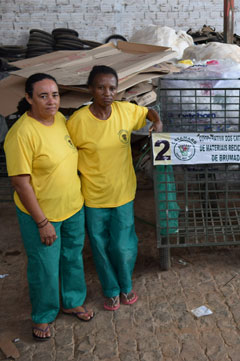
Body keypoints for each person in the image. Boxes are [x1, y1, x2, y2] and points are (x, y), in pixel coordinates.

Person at [4, 73, 94, 342]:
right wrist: (42, 223)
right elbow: (21, 183)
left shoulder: (61, 121)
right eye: (43, 95)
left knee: (72, 257)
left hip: (72, 207)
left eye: (54, 95)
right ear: (29, 98)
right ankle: (43, 313)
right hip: (42, 215)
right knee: (44, 266)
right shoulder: (21, 134)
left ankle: (71, 300)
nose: (51, 101)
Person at [67, 65, 163, 310]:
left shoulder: (124, 111)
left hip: (122, 194)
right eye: (101, 87)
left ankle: (126, 285)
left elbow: (149, 112)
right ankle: (111, 290)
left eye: (112, 88)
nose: (107, 93)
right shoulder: (78, 121)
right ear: (91, 89)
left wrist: (157, 122)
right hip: (93, 197)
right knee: (100, 247)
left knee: (123, 246)